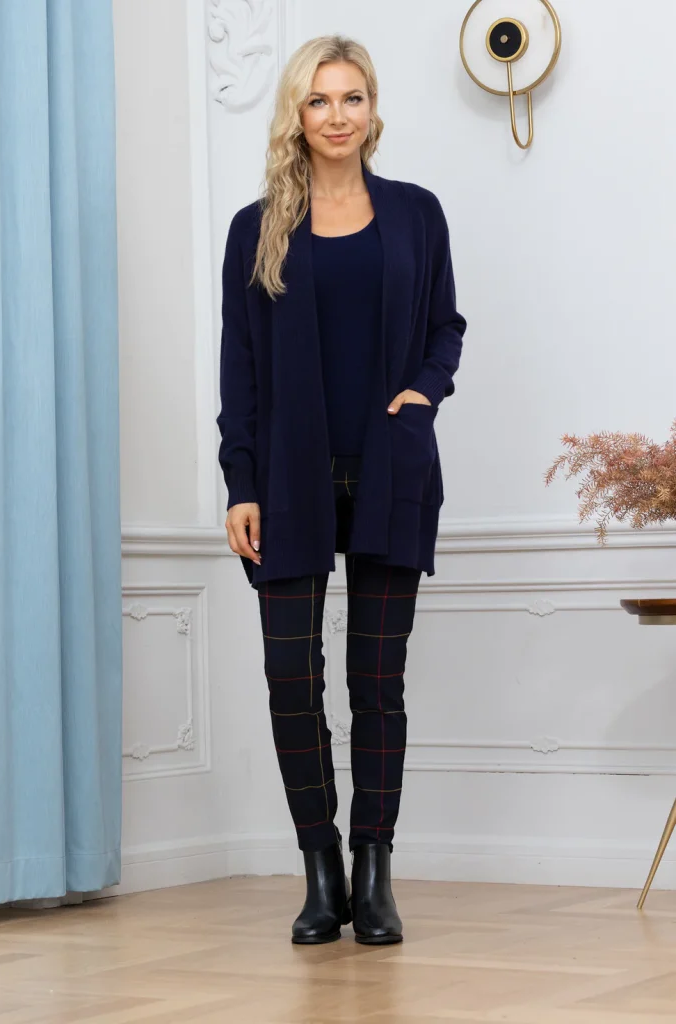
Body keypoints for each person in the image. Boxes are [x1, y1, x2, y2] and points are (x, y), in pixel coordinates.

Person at [216, 34, 466, 945]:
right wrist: (240, 481)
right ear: (297, 113)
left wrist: (423, 393)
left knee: (376, 682)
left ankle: (373, 869)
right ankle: (319, 868)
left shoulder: (415, 214)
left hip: (391, 466)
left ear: (372, 108)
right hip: (289, 476)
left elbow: (444, 326)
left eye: (351, 97)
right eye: (318, 100)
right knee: (291, 678)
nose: (336, 116)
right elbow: (240, 366)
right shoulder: (257, 228)